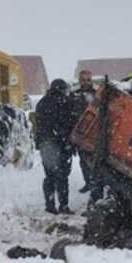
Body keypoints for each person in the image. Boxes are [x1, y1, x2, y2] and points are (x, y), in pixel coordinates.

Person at [35, 79, 77, 215]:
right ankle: (63, 206)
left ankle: (50, 205)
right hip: (61, 144)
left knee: (49, 176)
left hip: (45, 144)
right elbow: (70, 122)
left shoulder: (42, 103)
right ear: (62, 89)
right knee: (62, 176)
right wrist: (68, 140)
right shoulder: (65, 102)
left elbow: (39, 124)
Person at [71, 70, 97, 194]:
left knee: (95, 160)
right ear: (79, 81)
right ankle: (88, 182)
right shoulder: (75, 95)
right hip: (80, 131)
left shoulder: (97, 94)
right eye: (83, 79)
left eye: (88, 79)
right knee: (83, 159)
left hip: (95, 131)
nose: (86, 82)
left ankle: (95, 184)